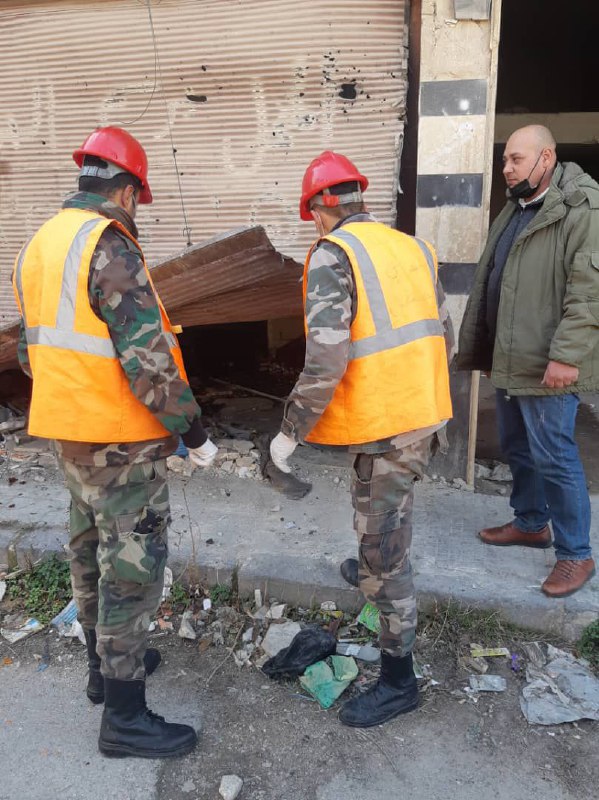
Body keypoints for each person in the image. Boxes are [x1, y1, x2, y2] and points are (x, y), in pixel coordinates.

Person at [12, 126, 217, 758]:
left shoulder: (39, 244)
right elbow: (149, 361)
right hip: (121, 446)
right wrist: (192, 431)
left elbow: (28, 354)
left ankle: (104, 674)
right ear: (127, 191)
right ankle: (125, 720)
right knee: (131, 570)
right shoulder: (109, 246)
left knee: (89, 552)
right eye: (138, 200)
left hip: (69, 440)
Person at [269, 151, 454, 727]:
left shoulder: (335, 253)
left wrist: (289, 434)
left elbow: (326, 359)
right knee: (385, 521)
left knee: (386, 555)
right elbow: (444, 334)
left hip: (388, 430)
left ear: (317, 211)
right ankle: (373, 565)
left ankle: (399, 682)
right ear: (358, 198)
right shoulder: (412, 247)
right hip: (422, 415)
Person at [458, 124, 598, 598]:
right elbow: (495, 280)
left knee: (555, 456)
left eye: (516, 159)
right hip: (512, 357)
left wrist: (566, 356)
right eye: (505, 159)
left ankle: (576, 554)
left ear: (547, 158)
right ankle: (532, 523)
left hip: (548, 363)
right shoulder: (517, 207)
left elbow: (589, 293)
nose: (507, 168)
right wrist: (487, 348)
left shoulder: (582, 208)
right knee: (518, 448)